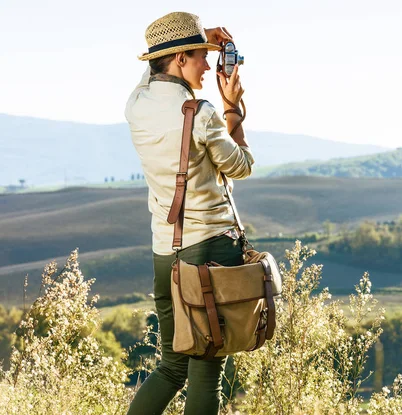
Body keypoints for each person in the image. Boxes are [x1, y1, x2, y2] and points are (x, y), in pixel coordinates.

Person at [124, 11, 254, 415]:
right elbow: (242, 166)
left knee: (171, 366)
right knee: (206, 370)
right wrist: (233, 107)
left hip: (166, 253)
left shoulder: (137, 105)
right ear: (180, 58)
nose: (208, 64)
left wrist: (200, 36)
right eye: (201, 55)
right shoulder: (201, 113)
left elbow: (152, 73)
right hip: (211, 252)